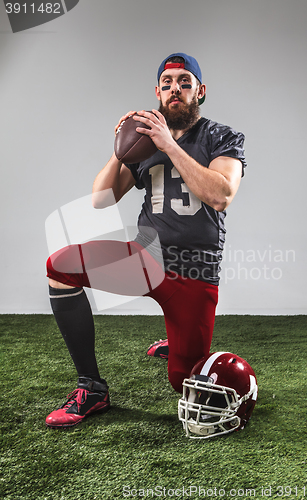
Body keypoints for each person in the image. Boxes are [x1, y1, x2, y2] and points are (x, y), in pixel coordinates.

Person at [45, 52, 247, 429]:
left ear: (199, 91)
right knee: (60, 266)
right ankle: (91, 387)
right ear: (157, 91)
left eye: (185, 82)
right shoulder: (146, 140)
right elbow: (101, 199)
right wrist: (121, 147)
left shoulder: (221, 136)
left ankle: (179, 345)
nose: (176, 89)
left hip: (194, 270)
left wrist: (169, 144)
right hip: (146, 257)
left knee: (185, 384)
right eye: (168, 83)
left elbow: (220, 195)